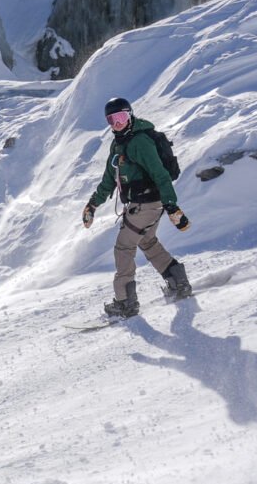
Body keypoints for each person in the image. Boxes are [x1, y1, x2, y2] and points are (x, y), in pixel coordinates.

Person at [82, 96, 192, 318]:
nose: (117, 124)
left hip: (146, 203)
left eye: (121, 117)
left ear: (130, 115)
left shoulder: (139, 142)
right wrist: (93, 204)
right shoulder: (118, 144)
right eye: (112, 120)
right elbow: (108, 179)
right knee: (147, 241)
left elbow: (160, 174)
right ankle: (178, 283)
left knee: (124, 247)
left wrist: (172, 206)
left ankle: (125, 302)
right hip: (145, 204)